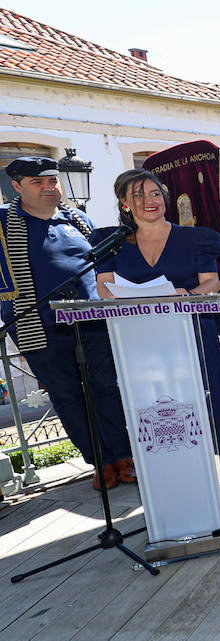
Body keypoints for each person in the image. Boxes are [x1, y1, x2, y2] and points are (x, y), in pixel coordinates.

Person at [91, 168, 220, 499]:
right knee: (155, 411)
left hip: (191, 330)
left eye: (154, 193)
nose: (149, 201)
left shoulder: (197, 237)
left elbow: (210, 281)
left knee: (208, 403)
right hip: (139, 340)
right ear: (124, 203)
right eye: (138, 195)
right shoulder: (111, 242)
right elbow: (104, 287)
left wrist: (186, 295)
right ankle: (169, 485)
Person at [2, 157, 135, 490]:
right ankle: (100, 462)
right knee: (67, 396)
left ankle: (123, 455)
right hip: (39, 325)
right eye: (38, 183)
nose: (49, 188)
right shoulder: (3, 223)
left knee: (106, 388)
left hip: (92, 321)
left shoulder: (78, 219)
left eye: (52, 182)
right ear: (17, 186)